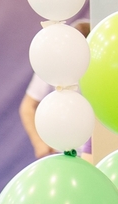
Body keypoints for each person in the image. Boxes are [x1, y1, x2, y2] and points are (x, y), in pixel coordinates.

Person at [19, 19, 89, 159]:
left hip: (93, 150)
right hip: (61, 151)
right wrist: (39, 143)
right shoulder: (52, 66)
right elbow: (27, 107)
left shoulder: (100, 68)